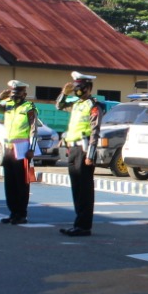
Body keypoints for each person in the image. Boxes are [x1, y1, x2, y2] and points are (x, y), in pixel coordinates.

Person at [57, 71, 104, 236]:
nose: (77, 90)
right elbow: (59, 106)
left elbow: (95, 131)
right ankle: (78, 223)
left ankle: (84, 226)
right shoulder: (76, 104)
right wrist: (65, 93)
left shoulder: (94, 105)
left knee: (84, 189)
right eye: (76, 87)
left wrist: (91, 154)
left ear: (88, 88)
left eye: (80, 87)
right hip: (73, 148)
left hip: (85, 150)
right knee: (76, 188)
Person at [0, 80, 38, 225]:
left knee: (22, 183)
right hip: (9, 149)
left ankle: (21, 214)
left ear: (24, 94)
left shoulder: (29, 107)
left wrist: (32, 149)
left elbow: (34, 130)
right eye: (13, 93)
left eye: (18, 93)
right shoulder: (8, 106)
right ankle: (13, 213)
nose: (15, 96)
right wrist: (0, 97)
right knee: (10, 184)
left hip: (23, 149)